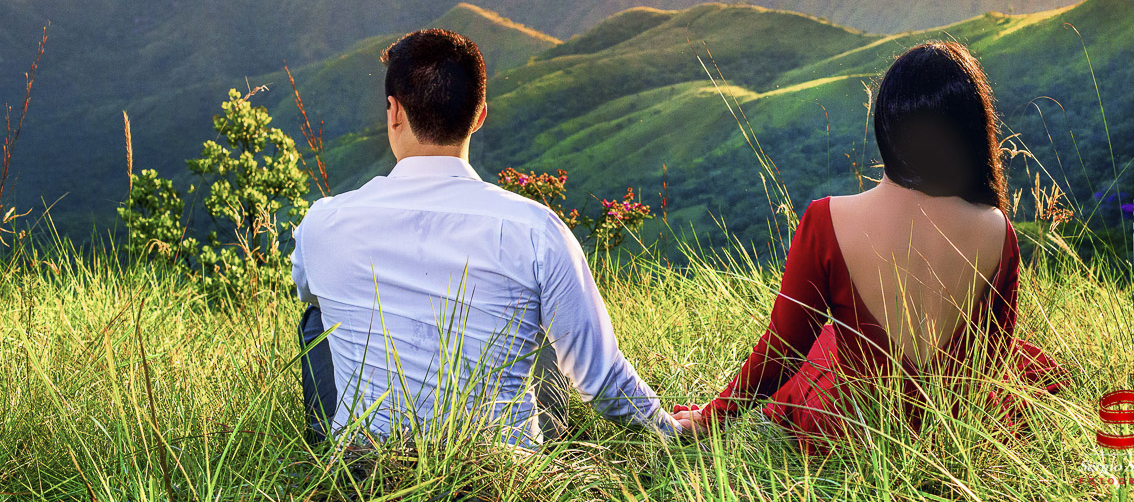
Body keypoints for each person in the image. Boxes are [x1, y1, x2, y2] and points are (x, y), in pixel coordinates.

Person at [672, 41, 1069, 454]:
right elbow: (992, 356)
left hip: (853, 430)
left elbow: (782, 352)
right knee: (1026, 362)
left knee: (824, 345)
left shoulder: (826, 220)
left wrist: (711, 417)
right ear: (971, 131)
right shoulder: (999, 229)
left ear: (887, 126)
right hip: (956, 431)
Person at [291, 28, 678, 448]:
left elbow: (308, 293)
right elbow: (602, 380)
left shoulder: (323, 223)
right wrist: (669, 429)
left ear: (393, 112)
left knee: (317, 320)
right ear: (479, 116)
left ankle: (329, 447)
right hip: (500, 477)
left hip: (363, 478)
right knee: (541, 322)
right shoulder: (537, 231)